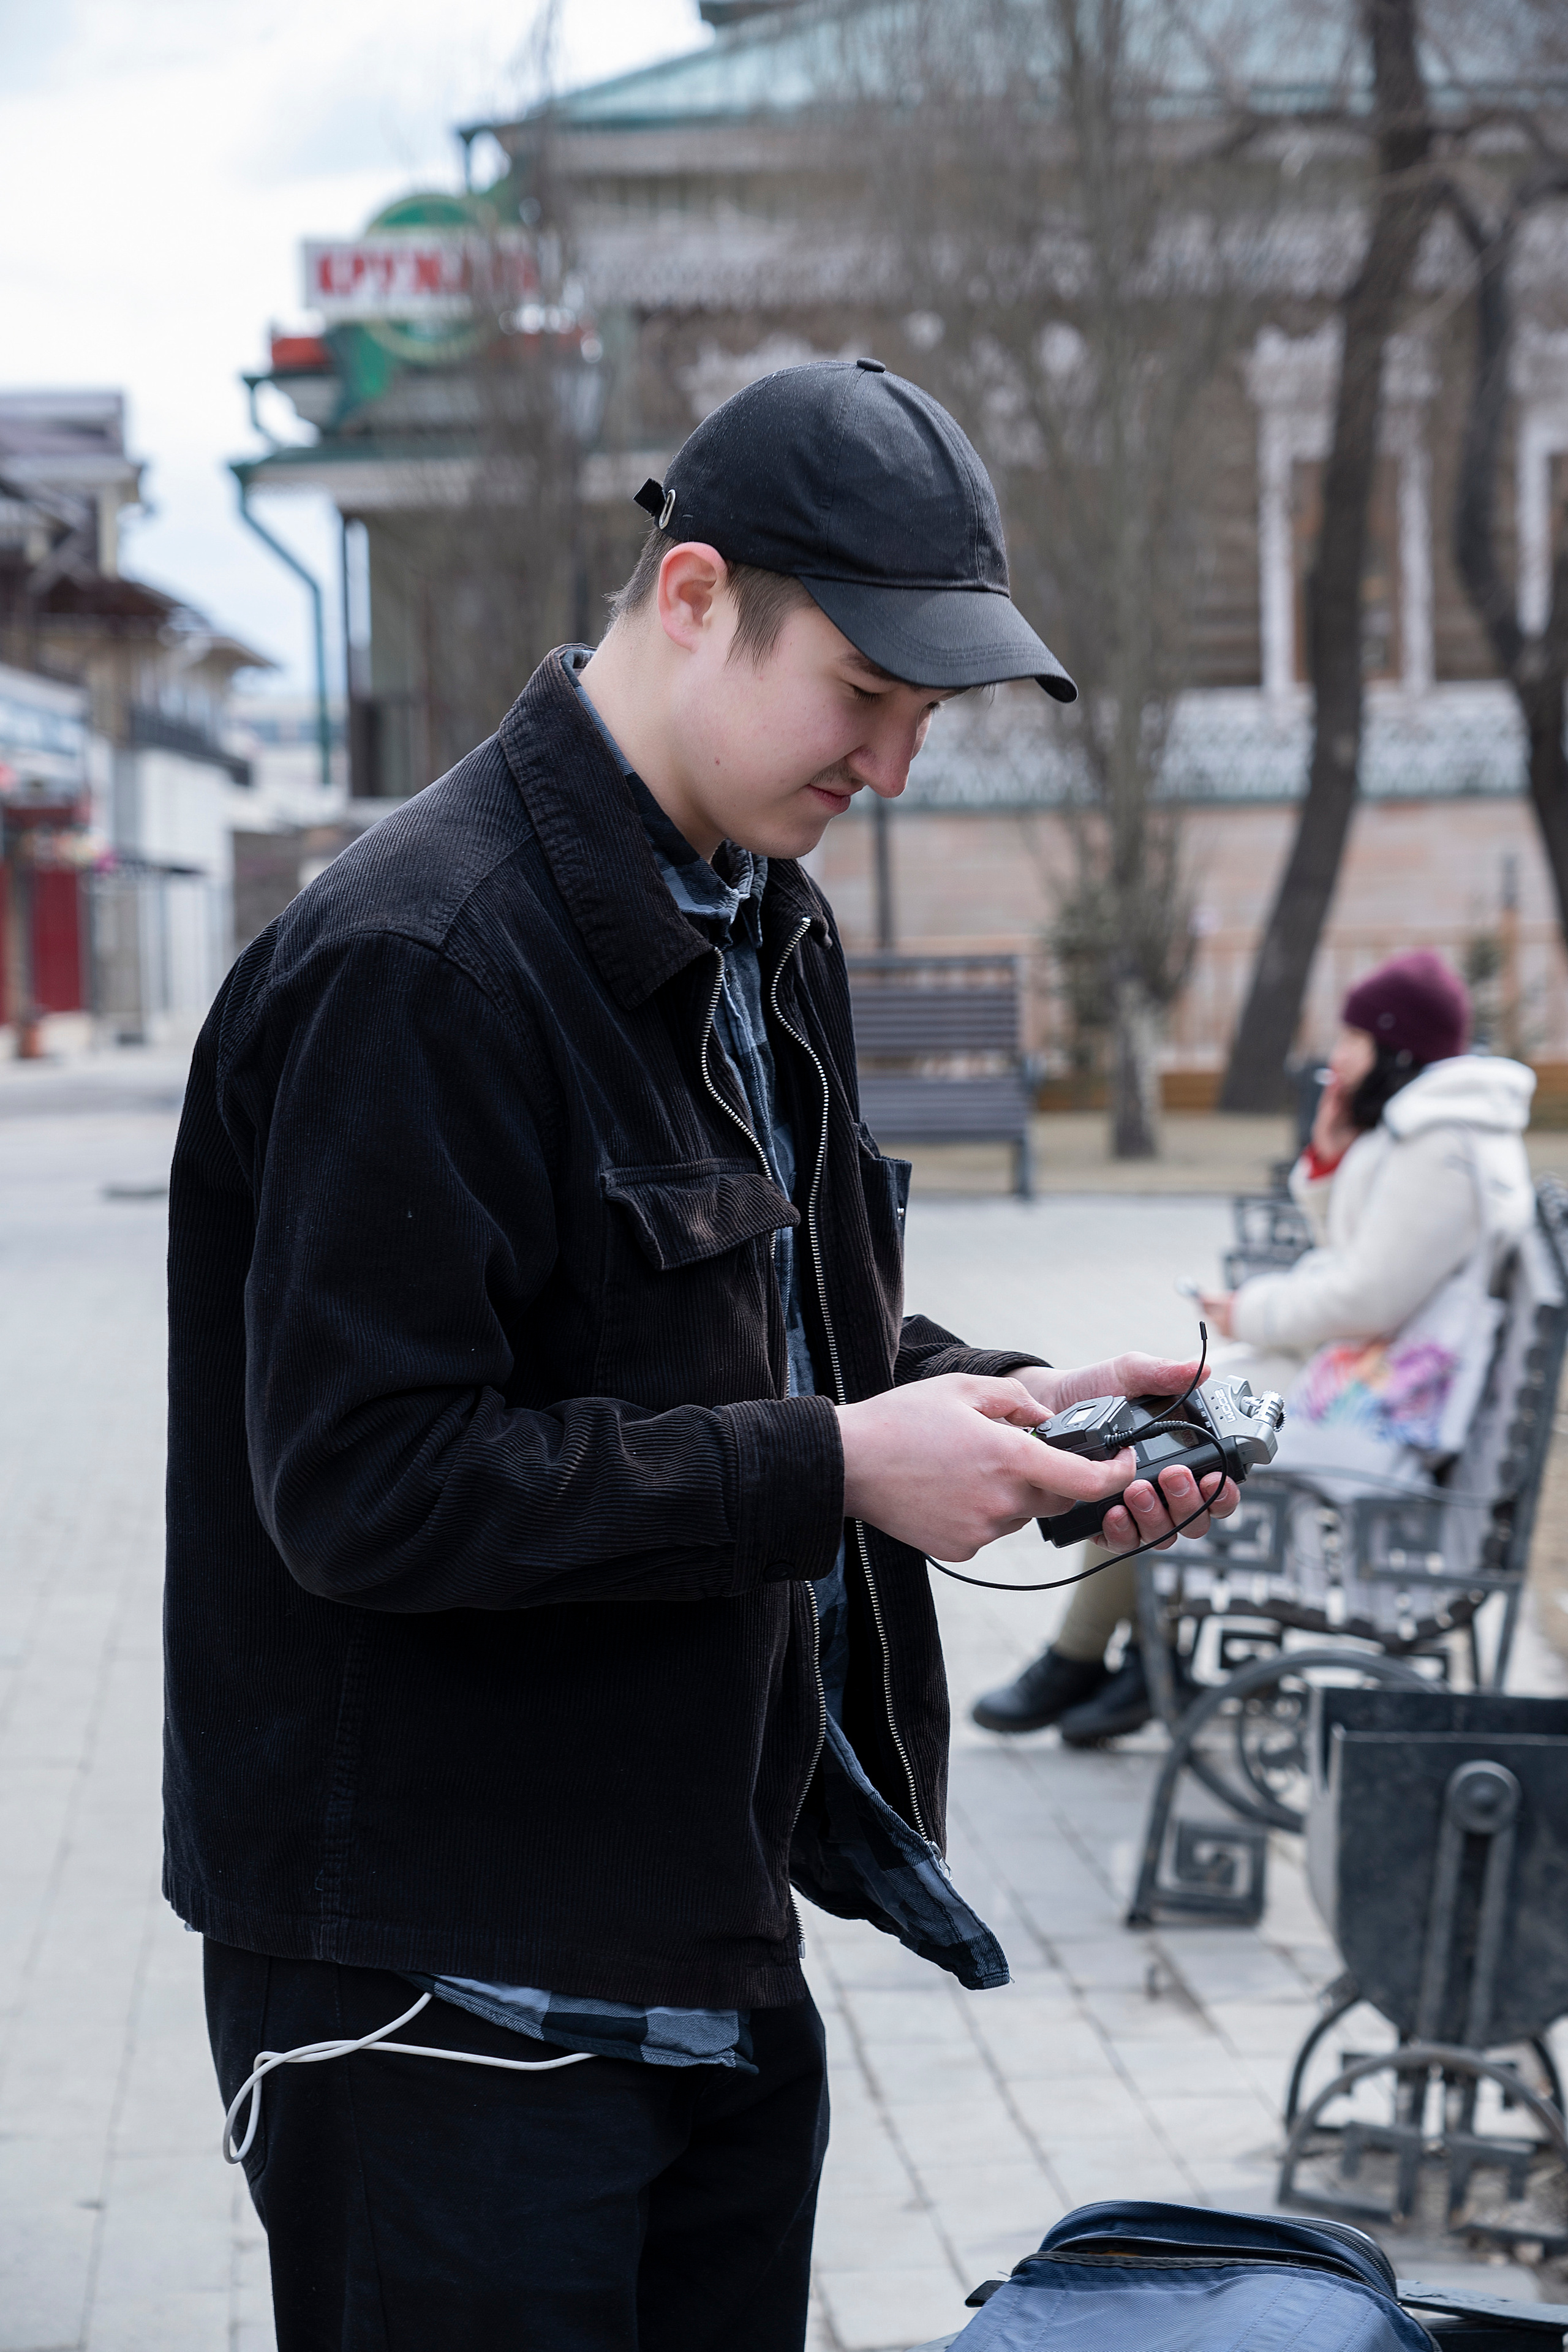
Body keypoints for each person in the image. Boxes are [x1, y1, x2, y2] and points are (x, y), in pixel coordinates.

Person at [165, 360, 1236, 2352]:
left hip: (702, 1948)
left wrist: (1024, 1412)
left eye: (924, 719)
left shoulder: (757, 922)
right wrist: (837, 1468)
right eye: (863, 697)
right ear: (692, 599)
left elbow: (783, 1342)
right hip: (438, 1998)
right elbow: (366, 1486)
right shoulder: (421, 960)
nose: (893, 766)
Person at [972, 948, 1535, 1748]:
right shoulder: (1433, 1130)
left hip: (1380, 1413)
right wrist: (1331, 1152)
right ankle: (1124, 1655)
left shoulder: (1442, 1147)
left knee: (1168, 1436)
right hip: (1376, 1380)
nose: (1337, 1057)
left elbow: (1364, 1295)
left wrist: (1250, 1311)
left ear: (1396, 1046)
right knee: (1169, 1416)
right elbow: (1358, 1253)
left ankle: (1094, 1659)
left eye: (1352, 1040)